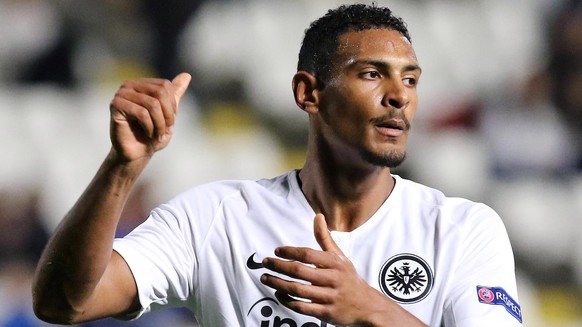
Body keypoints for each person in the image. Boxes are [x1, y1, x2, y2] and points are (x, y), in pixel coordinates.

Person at [32, 4, 522, 326]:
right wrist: (120, 169)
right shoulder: (216, 219)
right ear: (308, 93)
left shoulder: (463, 229)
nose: (398, 96)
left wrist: (367, 308)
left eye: (411, 80)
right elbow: (63, 302)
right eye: (372, 74)